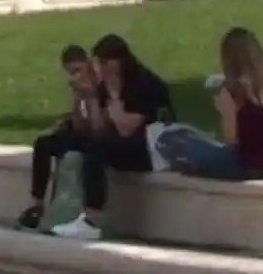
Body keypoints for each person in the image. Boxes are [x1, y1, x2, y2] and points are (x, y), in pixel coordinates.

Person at [45, 34, 175, 240]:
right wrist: (91, 98)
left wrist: (113, 100)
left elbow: (126, 129)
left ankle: (92, 221)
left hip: (153, 151)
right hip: (128, 145)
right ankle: (62, 213)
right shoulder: (107, 85)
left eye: (105, 62)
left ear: (120, 61)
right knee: (82, 144)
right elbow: (98, 128)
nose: (101, 69)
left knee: (97, 148)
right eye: (99, 63)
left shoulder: (144, 84)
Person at [159, 28, 263, 182]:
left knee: (172, 141)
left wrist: (226, 111)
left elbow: (231, 138)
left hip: (248, 167)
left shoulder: (236, 91)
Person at [20, 45, 101, 230]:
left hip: (98, 138)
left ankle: (89, 218)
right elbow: (80, 124)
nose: (76, 76)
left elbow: (97, 128)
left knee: (87, 153)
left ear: (88, 64)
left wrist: (90, 98)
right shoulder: (79, 88)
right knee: (43, 145)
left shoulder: (100, 85)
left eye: (79, 70)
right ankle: (37, 204)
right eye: (71, 72)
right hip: (81, 134)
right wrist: (77, 101)